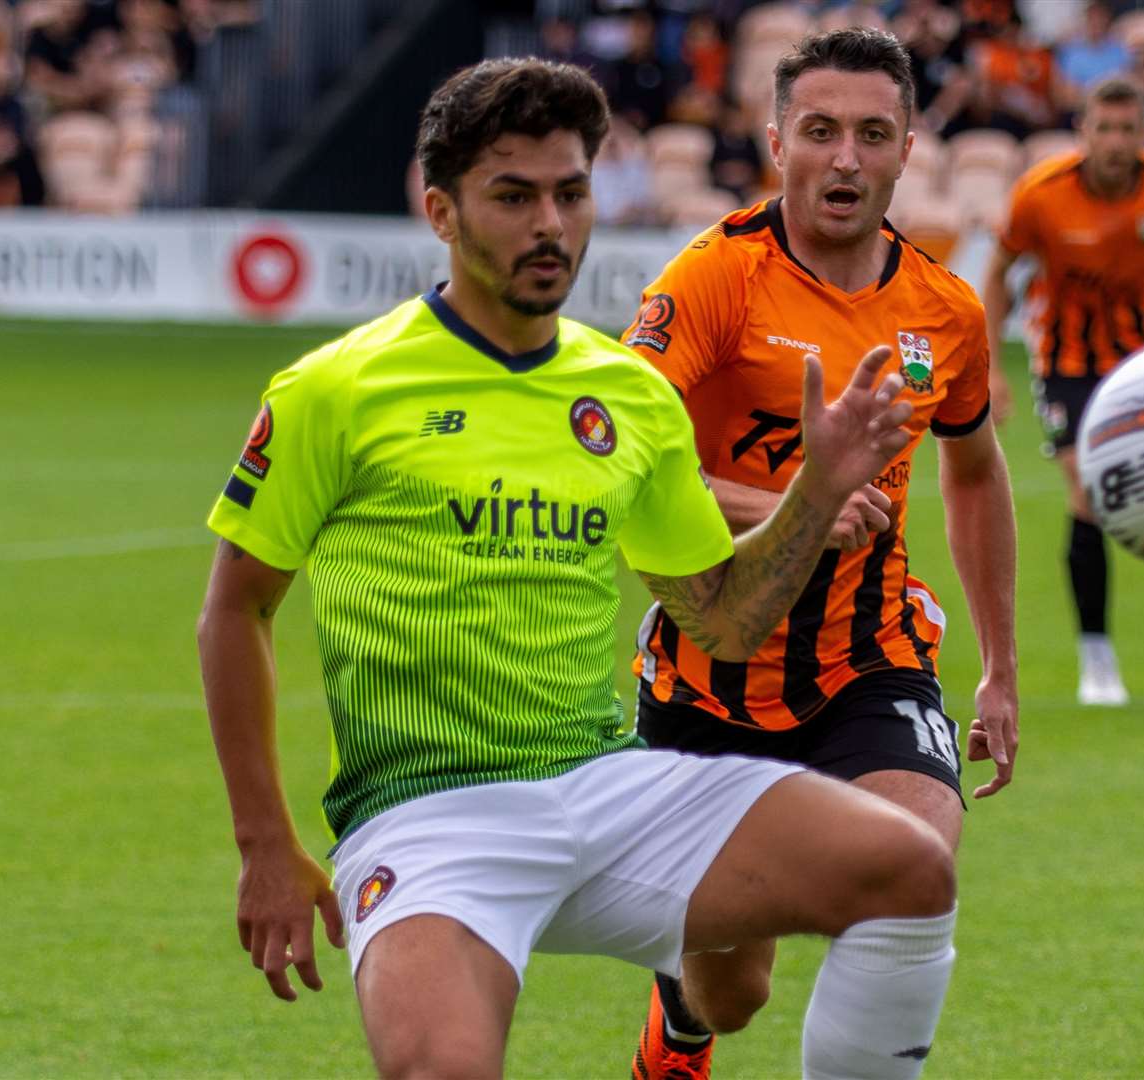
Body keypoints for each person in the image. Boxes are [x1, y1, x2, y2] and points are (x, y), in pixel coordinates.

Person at [197, 57, 964, 1080]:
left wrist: (813, 495)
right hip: (430, 815)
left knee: (906, 870)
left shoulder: (627, 398)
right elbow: (233, 614)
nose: (549, 224)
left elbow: (722, 624)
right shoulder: (337, 389)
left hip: (603, 785)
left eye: (569, 192)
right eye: (512, 196)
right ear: (440, 210)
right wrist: (264, 846)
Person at [620, 28, 1019, 1080]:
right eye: (821, 131)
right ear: (775, 141)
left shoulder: (946, 310)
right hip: (712, 673)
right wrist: (794, 501)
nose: (845, 158)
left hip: (869, 661)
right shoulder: (714, 279)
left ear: (905, 152)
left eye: (872, 134)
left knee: (915, 865)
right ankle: (682, 1020)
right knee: (731, 994)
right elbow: (613, 455)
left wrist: (1002, 670)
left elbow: (974, 473)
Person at [982, 75, 1144, 707]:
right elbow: (997, 275)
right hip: (1067, 364)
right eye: (1104, 128)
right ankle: (1097, 659)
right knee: (1090, 492)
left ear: (1143, 134)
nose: (1116, 141)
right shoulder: (1040, 196)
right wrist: (990, 368)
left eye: (1128, 129)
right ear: (1084, 133)